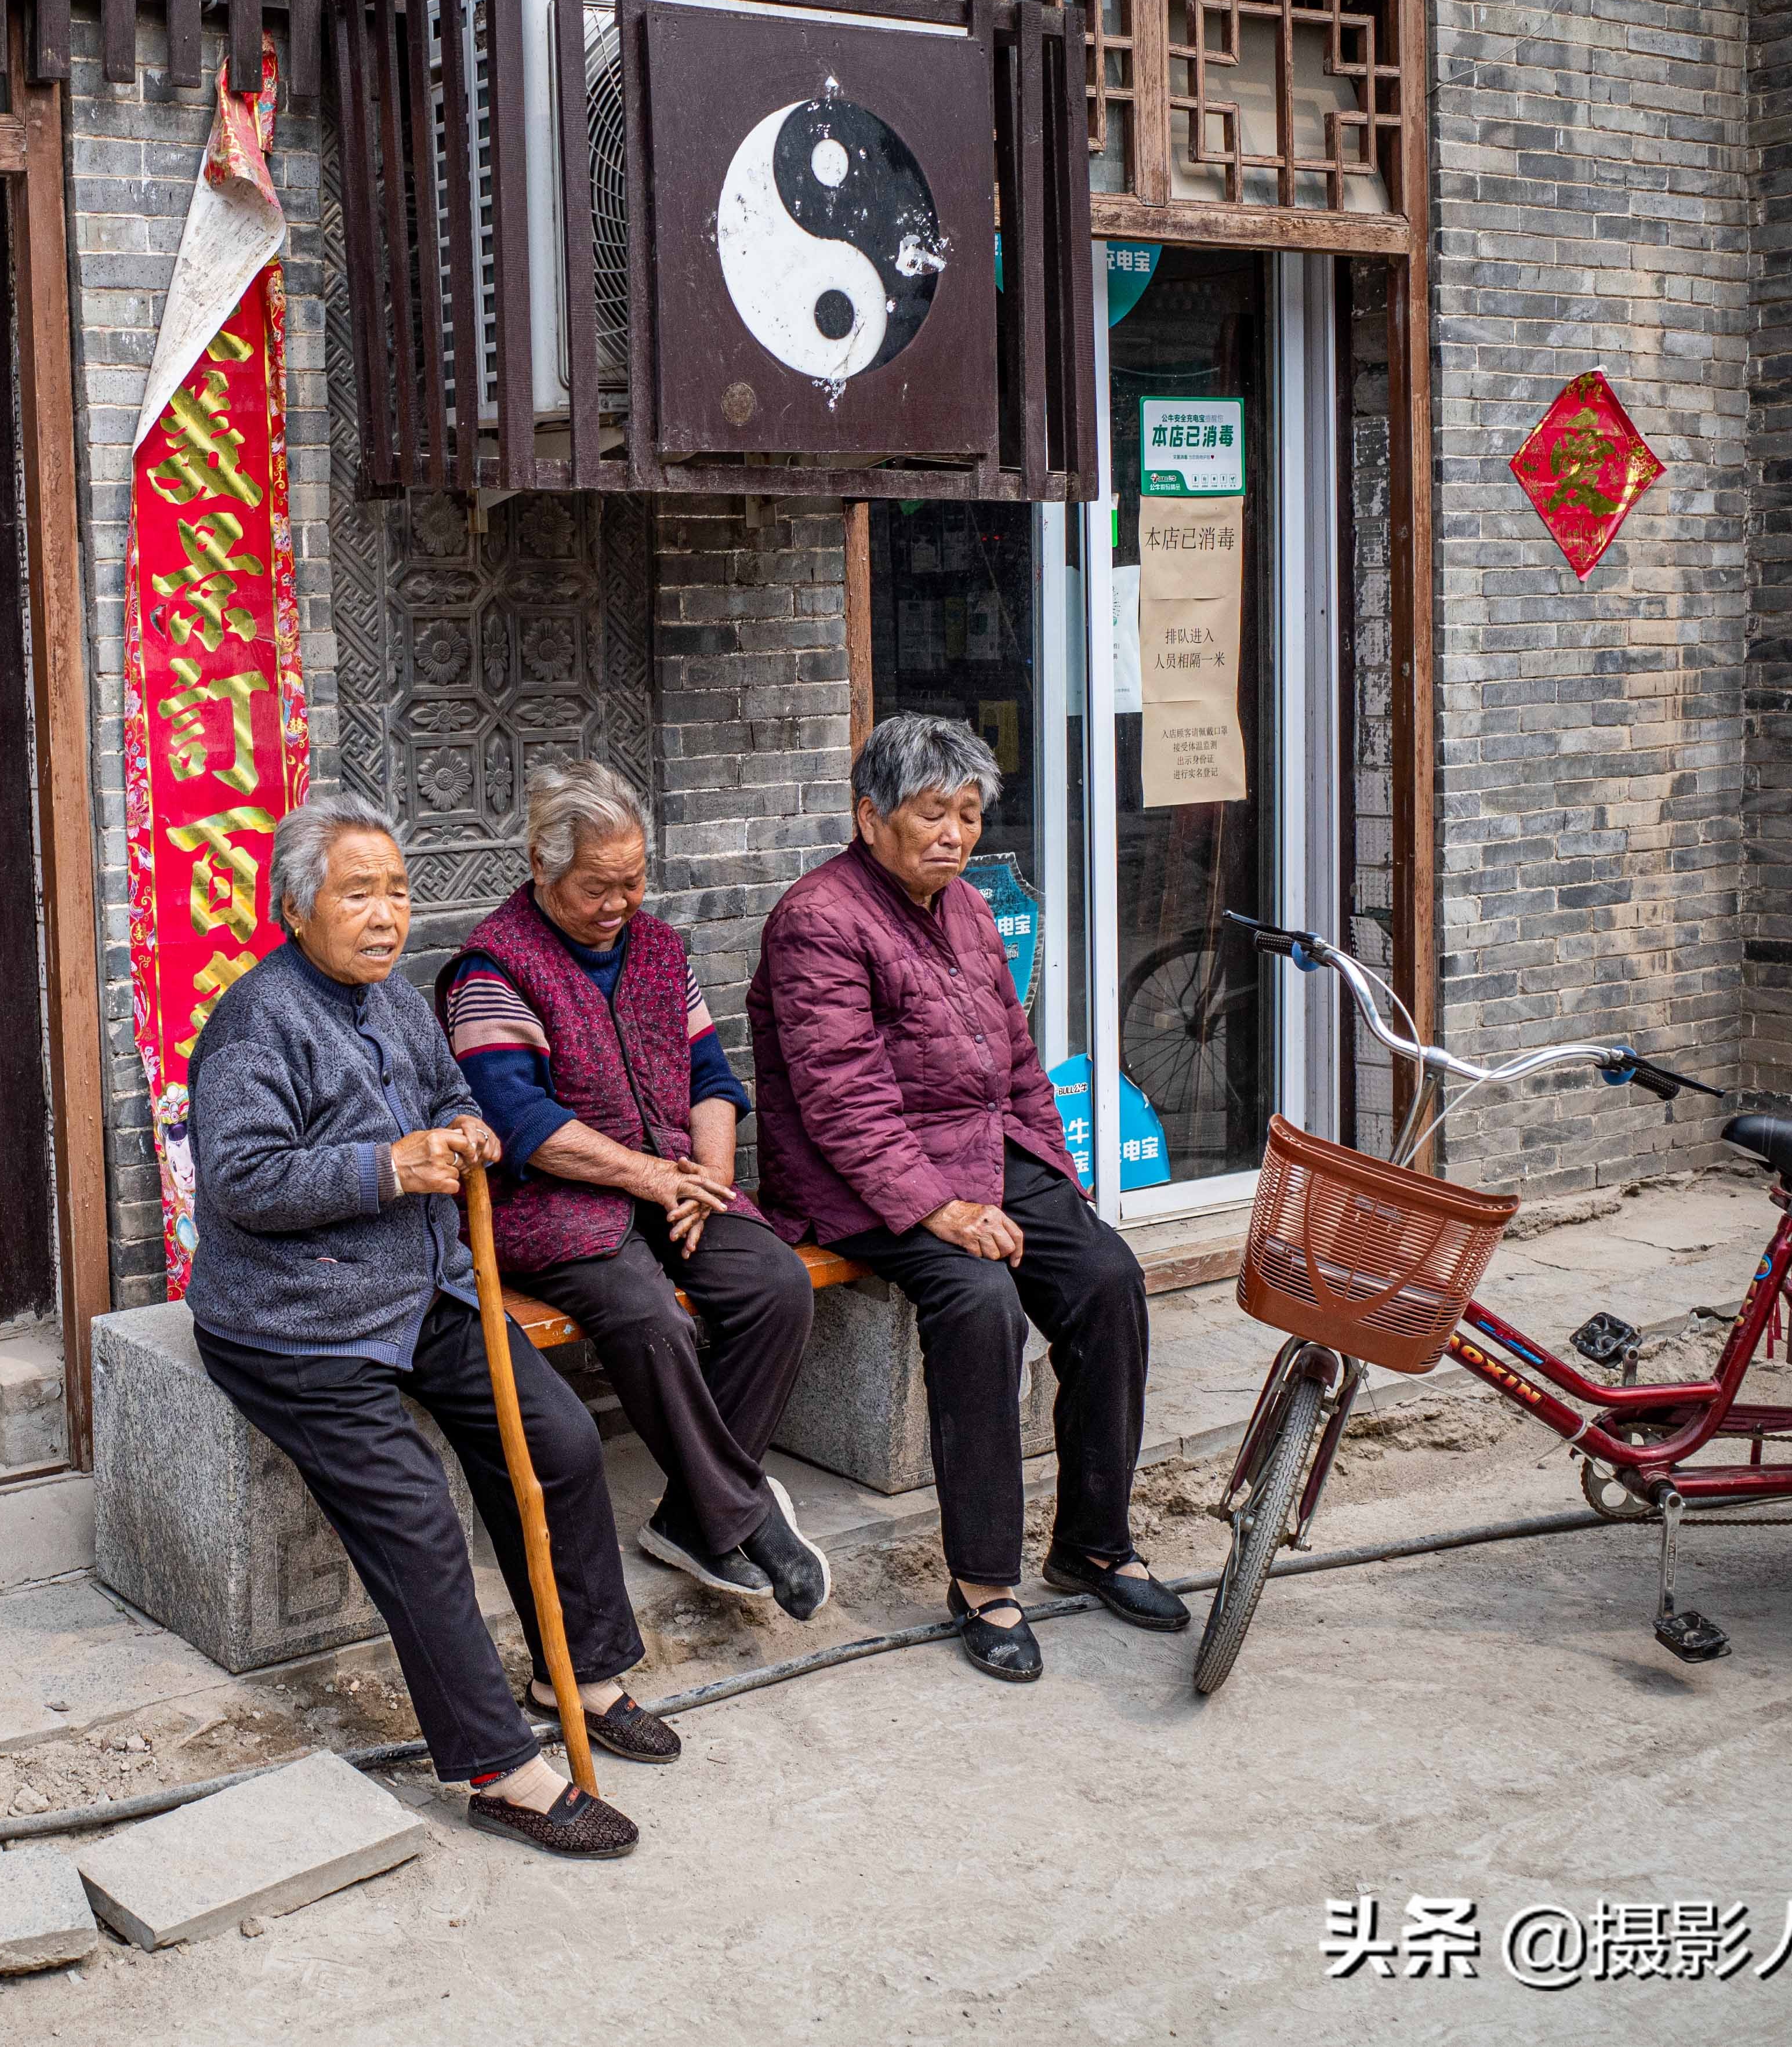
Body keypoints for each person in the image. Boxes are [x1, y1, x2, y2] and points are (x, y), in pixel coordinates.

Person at [186, 787, 673, 1859]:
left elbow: (453, 1085)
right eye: (358, 895)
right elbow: (240, 1180)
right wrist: (387, 1165)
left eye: (397, 894)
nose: (384, 916)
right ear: (298, 908)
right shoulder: (257, 1018)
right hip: (297, 1318)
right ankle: (499, 1768)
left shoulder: (401, 1000)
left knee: (556, 1441)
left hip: (421, 1291)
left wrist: (461, 1125)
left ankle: (577, 1670)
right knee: (414, 1511)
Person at [748, 713, 1188, 1685]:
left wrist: (1061, 1184)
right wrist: (938, 1211)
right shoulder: (819, 919)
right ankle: (981, 1581)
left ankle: (1093, 1544)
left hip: (987, 1148)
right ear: (869, 819)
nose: (952, 835)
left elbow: (1017, 1062)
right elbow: (840, 1098)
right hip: (862, 1175)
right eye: (929, 814)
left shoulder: (967, 908)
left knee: (1107, 1277)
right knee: (978, 1305)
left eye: (968, 814)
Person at [438, 761, 829, 1618]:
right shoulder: (491, 968)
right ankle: (742, 1512)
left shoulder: (657, 948)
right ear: (541, 870)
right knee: (650, 1318)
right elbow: (519, 1119)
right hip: (551, 1206)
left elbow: (711, 1078)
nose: (619, 903)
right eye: (596, 887)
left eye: (633, 880)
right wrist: (651, 1176)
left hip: (676, 1181)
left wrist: (709, 1181)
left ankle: (693, 1516)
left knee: (773, 1284)